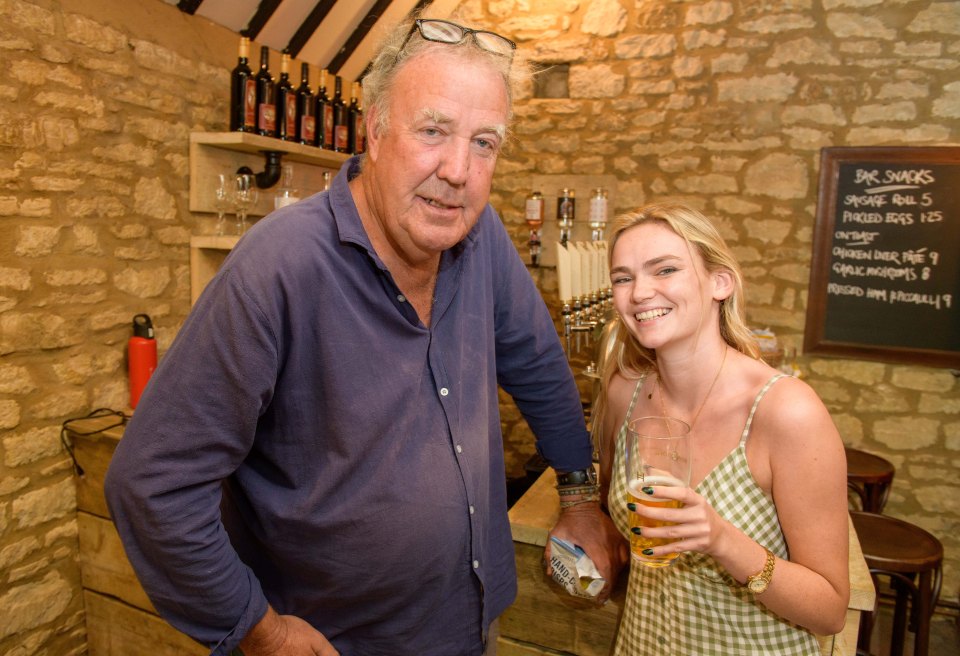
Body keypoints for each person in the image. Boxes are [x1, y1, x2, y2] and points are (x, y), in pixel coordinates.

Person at [104, 13, 623, 656]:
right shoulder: (280, 266)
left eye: (484, 142)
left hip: (471, 624)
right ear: (375, 130)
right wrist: (257, 630)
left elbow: (537, 361)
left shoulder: (479, 235)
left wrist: (578, 495)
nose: (458, 169)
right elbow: (152, 483)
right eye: (433, 130)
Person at [593, 202, 850, 654]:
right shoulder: (624, 393)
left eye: (665, 269)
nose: (638, 293)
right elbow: (616, 522)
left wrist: (722, 541)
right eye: (623, 277)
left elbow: (829, 611)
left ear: (720, 282)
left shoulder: (786, 411)